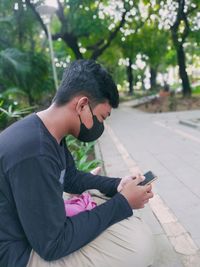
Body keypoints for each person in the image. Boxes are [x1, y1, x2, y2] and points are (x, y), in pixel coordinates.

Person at [0, 59, 155, 267]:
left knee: (112, 211)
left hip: (34, 233)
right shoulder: (35, 152)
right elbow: (53, 245)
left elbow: (70, 178)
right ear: (82, 105)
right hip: (19, 254)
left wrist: (117, 185)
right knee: (137, 247)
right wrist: (123, 203)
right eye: (101, 117)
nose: (101, 126)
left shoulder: (47, 133)